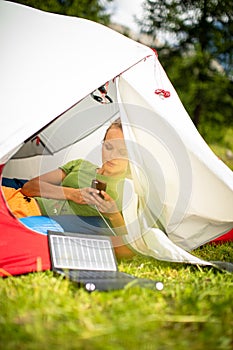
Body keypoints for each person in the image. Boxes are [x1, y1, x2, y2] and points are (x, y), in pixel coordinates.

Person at [2, 118, 135, 259]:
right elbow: (29, 187)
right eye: (108, 147)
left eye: (123, 152)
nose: (112, 156)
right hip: (13, 196)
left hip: (31, 213)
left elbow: (126, 252)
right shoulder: (80, 164)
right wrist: (72, 194)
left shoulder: (128, 190)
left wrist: (113, 214)